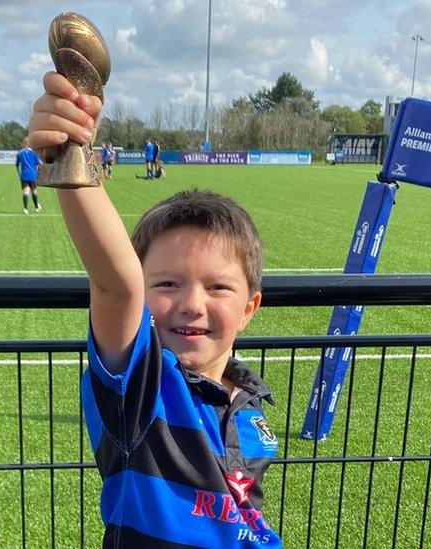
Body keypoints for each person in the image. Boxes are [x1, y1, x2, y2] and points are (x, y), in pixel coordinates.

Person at [28, 71, 282, 548]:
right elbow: (116, 285)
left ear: (250, 308)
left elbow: (243, 511)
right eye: (166, 284)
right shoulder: (142, 388)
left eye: (218, 288)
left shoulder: (251, 403)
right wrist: (70, 149)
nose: (191, 304)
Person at [14, 139, 42, 214]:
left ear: (23, 144)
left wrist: (19, 174)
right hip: (33, 175)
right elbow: (39, 163)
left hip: (24, 175)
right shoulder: (34, 153)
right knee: (34, 191)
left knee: (26, 192)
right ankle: (36, 207)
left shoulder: (20, 153)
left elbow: (16, 165)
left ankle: (25, 209)